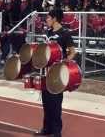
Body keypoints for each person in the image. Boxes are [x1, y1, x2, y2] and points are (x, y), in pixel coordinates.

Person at [34, 8, 76, 137]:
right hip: (46, 72)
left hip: (57, 74)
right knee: (46, 101)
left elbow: (73, 52)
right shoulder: (48, 32)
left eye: (48, 18)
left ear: (55, 19)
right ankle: (47, 128)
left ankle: (57, 132)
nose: (46, 20)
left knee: (56, 103)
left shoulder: (65, 33)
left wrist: (63, 63)